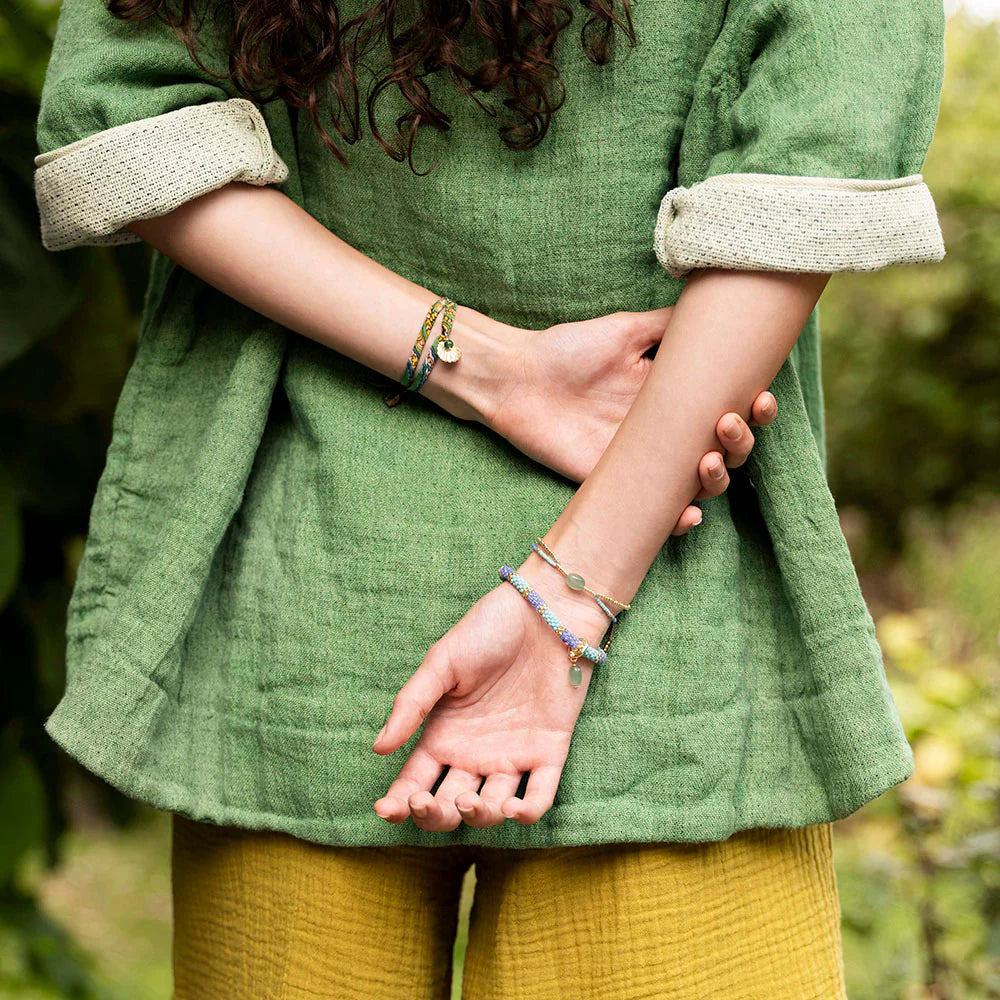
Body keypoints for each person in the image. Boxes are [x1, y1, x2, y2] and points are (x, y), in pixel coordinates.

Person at [33, 0, 946, 996]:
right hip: (680, 629)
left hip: (300, 596)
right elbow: (797, 184)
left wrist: (486, 370)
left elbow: (132, 119)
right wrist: (568, 589)